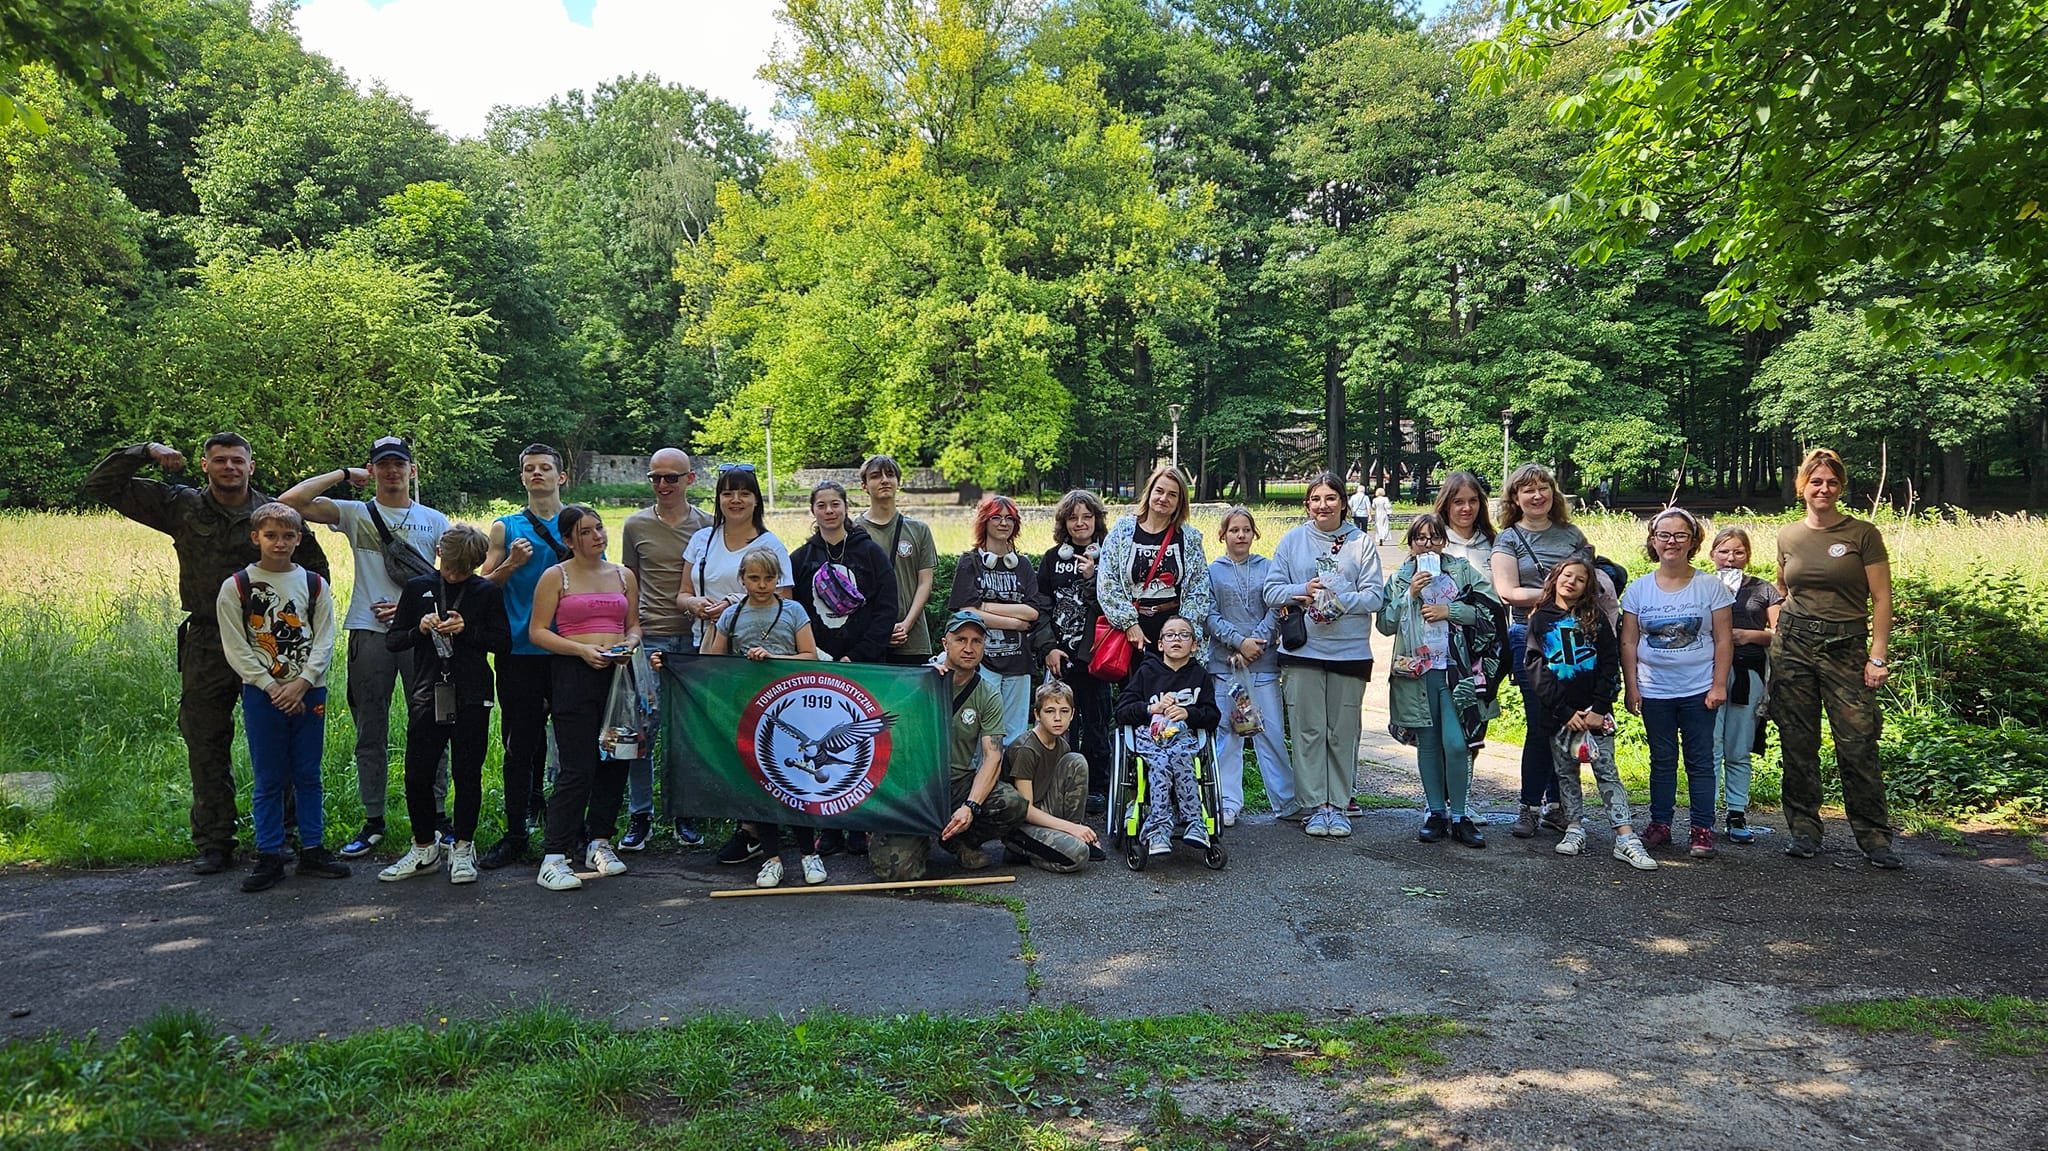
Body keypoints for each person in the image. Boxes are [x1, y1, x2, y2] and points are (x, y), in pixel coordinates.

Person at [85, 434, 331, 875]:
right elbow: (102, 486)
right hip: (208, 640)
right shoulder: (181, 506)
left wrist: (301, 641)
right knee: (205, 741)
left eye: (238, 460)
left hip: (272, 642)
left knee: (285, 740)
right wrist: (146, 451)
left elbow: (316, 574)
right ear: (205, 465)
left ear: (250, 467)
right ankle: (216, 840)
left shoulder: (275, 514)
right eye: (220, 461)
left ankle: (286, 838)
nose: (229, 468)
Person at [277, 437, 454, 860]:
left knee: (432, 725)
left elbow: (450, 579)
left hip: (423, 634)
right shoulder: (356, 513)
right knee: (369, 731)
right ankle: (373, 819)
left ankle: (438, 816)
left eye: (400, 464)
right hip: (368, 632)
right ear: (371, 470)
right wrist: (342, 475)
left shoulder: (435, 520)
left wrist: (409, 608)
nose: (392, 471)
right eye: (383, 465)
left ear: (412, 470)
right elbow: (290, 502)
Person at [1772, 448, 1900, 869]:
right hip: (1793, 648)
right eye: (1815, 482)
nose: (1823, 489)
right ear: (1802, 487)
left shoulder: (1862, 533)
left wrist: (1877, 657)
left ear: (1840, 487)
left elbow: (1882, 598)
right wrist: (1777, 631)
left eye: (1830, 482)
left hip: (1846, 648)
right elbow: (1782, 592)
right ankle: (1804, 830)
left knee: (1858, 742)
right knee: (1797, 740)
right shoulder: (1788, 536)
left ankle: (1874, 836)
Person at [214, 502, 348, 892]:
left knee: (307, 773)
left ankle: (313, 848)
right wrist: (271, 687)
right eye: (271, 535)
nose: (280, 543)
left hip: (309, 691)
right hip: (263, 695)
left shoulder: (313, 584)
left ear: (299, 538)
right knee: (269, 777)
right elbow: (236, 646)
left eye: (288, 536)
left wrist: (303, 682)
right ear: (255, 537)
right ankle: (270, 853)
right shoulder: (237, 586)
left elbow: (324, 638)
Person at [378, 525, 510, 885]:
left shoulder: (485, 592)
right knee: (417, 774)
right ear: (439, 554)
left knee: (467, 774)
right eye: (450, 567)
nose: (453, 575)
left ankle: (463, 847)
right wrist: (419, 628)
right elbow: (393, 641)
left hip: (471, 694)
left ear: (476, 564)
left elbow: (503, 643)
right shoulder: (418, 587)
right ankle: (424, 847)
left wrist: (467, 630)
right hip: (427, 692)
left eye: (463, 570)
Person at [677, 464, 794, 868]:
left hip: (757, 660)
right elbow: (683, 593)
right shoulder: (701, 540)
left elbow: (784, 600)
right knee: (730, 744)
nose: (736, 500)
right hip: (710, 650)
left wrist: (732, 605)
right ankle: (749, 827)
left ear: (756, 499)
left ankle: (759, 832)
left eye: (744, 493)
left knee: (761, 743)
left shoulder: (771, 544)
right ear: (719, 499)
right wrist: (697, 606)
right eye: (728, 493)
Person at [1264, 471, 1386, 838]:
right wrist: (1301, 590)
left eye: (1330, 498)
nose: (1323, 505)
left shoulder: (1360, 543)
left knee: (1342, 731)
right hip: (1303, 650)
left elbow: (1376, 595)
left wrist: (1341, 601)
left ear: (1343, 503)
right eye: (1316, 499)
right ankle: (1316, 805)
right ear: (1307, 504)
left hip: (1349, 650)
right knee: (1308, 730)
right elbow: (1271, 592)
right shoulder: (1293, 541)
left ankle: (1339, 804)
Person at [527, 505, 642, 892]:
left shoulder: (624, 576)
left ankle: (601, 842)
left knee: (616, 760)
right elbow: (538, 632)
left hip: (618, 676)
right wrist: (580, 651)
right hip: (574, 675)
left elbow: (634, 625)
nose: (597, 536)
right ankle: (555, 856)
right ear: (568, 540)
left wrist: (630, 643)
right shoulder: (555, 576)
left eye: (599, 528)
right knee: (577, 767)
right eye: (586, 531)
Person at [868, 611, 1030, 881]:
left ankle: (959, 840)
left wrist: (970, 806)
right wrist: (923, 686)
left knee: (1012, 804)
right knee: (895, 872)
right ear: (945, 643)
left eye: (977, 641)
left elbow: (993, 757)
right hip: (914, 788)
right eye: (961, 639)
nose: (969, 648)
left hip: (957, 784)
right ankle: (916, 838)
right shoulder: (916, 681)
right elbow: (882, 732)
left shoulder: (987, 693)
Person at [703, 548, 825, 887]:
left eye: (769, 578)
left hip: (794, 710)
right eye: (754, 578)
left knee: (796, 781)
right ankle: (770, 858)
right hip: (750, 712)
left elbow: (809, 656)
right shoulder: (731, 615)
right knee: (761, 782)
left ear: (778, 580)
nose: (761, 584)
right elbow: (714, 662)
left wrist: (773, 657)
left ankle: (808, 855)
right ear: (742, 579)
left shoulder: (793, 610)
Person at [1526, 557, 1657, 870]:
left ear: (1588, 587)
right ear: (1556, 578)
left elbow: (1609, 662)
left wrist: (1599, 707)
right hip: (1559, 714)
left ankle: (1625, 837)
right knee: (1565, 773)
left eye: (1579, 579)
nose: (1571, 582)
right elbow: (1535, 667)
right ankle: (1574, 827)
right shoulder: (1540, 619)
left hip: (1595, 713)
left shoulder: (1594, 617)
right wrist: (1563, 709)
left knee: (1607, 770)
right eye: (1566, 575)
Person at [791, 480, 898, 857]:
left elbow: (887, 606)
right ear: (813, 511)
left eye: (835, 504)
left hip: (864, 665)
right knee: (820, 747)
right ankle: (829, 826)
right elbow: (796, 613)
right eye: (821, 505)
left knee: (859, 748)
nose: (829, 511)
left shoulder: (869, 553)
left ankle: (859, 825)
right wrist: (818, 654)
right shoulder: (801, 558)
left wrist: (862, 653)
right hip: (820, 667)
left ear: (845, 507)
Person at [477, 443, 572, 870]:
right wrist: (511, 563)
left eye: (545, 468)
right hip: (519, 650)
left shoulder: (578, 523)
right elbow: (483, 588)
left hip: (570, 648)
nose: (537, 474)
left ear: (561, 476)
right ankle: (516, 832)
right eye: (530, 469)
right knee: (519, 746)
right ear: (522, 478)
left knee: (573, 743)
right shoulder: (506, 527)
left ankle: (571, 828)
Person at [1620, 508, 1734, 860]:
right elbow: (1627, 642)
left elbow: (1724, 639)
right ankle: (1660, 824)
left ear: (1693, 541)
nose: (1672, 541)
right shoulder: (1638, 590)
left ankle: (1702, 828)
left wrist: (1718, 685)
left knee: (1701, 761)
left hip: (1699, 688)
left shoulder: (1710, 586)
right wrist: (1632, 686)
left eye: (1680, 535)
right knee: (1662, 759)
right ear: (1653, 541)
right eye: (1664, 535)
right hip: (1655, 690)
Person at [1379, 514, 1495, 848]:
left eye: (1433, 538)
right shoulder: (1402, 577)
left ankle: (1460, 815)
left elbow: (1487, 611)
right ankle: (1435, 812)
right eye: (1420, 538)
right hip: (1417, 671)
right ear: (1411, 544)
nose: (1427, 544)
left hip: (1456, 671)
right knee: (1428, 743)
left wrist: (1450, 611)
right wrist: (1410, 596)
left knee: (1458, 744)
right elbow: (1385, 624)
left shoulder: (1460, 571)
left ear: (1443, 541)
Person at [618, 447, 714, 850]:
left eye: (671, 478)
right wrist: (632, 630)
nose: (662, 485)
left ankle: (685, 813)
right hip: (651, 636)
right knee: (641, 730)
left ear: (690, 479)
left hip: (696, 641)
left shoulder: (709, 526)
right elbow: (628, 580)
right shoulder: (635, 525)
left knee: (687, 732)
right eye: (655, 478)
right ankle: (640, 815)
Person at [1490, 463, 1591, 840]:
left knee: (1568, 719)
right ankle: (1529, 805)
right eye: (1527, 490)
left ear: (1553, 493)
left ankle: (1558, 804)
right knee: (1538, 723)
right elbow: (1509, 592)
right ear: (1515, 498)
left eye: (1543, 488)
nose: (1537, 496)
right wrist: (1561, 596)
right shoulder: (1509, 538)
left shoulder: (1571, 535)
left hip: (1573, 637)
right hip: (1528, 636)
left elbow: (1588, 582)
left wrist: (1562, 597)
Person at [1204, 506, 1293, 825]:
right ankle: (1228, 801)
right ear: (1222, 535)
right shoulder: (1212, 572)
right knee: (1229, 733)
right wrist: (1237, 643)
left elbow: (1275, 608)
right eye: (1233, 530)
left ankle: (1286, 800)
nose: (1240, 535)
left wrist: (1255, 643)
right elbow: (1209, 614)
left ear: (1254, 533)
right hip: (1226, 664)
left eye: (1246, 530)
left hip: (1263, 664)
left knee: (1268, 730)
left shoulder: (1268, 568)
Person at [1115, 617, 1223, 854]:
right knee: (1161, 763)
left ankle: (1196, 824)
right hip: (1149, 737)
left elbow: (1213, 715)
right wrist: (1150, 709)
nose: (1177, 639)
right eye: (1170, 635)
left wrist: (1188, 713)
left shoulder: (1200, 676)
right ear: (1161, 644)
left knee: (1182, 758)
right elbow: (1122, 711)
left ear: (1194, 645)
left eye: (1184, 635)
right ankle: (1158, 829)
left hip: (1183, 737)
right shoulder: (1147, 672)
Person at [1035, 488, 1113, 814]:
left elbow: (1113, 605)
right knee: (1061, 725)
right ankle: (1059, 787)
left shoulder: (1110, 555)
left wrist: (1092, 577)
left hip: (1096, 658)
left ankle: (1097, 788)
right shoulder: (1053, 559)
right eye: (1073, 517)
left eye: (1086, 516)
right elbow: (1039, 609)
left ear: (1097, 520)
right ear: (1064, 523)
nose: (1080, 523)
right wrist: (1048, 648)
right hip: (1060, 659)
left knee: (1097, 725)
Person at [1709, 526, 1782, 844]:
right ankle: (1704, 813)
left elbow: (1782, 634)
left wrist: (1748, 635)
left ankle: (1736, 812)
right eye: (1724, 551)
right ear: (1712, 554)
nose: (1731, 558)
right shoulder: (1700, 586)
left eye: (1738, 552)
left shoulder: (1763, 590)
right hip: (1707, 676)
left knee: (1738, 749)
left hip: (1748, 673)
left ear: (1748, 556)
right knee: (1708, 747)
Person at [1434, 469, 1499, 824]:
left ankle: (1464, 796)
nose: (1466, 508)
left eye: (1473, 501)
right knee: (1445, 727)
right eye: (1458, 501)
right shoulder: (1434, 541)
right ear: (1446, 504)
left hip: (1483, 650)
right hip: (1441, 649)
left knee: (1475, 725)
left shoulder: (1493, 542)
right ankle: (1440, 799)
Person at [946, 494, 1040, 738]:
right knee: (980, 731)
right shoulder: (970, 562)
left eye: (1009, 518)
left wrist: (984, 607)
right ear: (984, 522)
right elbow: (965, 611)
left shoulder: (1023, 565)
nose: (1003, 523)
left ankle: (1008, 777)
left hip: (1018, 662)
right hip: (983, 661)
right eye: (996, 517)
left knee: (1015, 733)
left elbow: (1032, 612)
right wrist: (1015, 622)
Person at [1098, 463, 1212, 653]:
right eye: (1159, 491)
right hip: (1131, 632)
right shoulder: (1123, 531)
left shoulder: (1189, 538)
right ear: (1149, 492)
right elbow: (1107, 582)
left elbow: (1198, 588)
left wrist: (1182, 632)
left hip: (1174, 632)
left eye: (1172, 494)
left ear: (1180, 501)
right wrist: (1128, 623)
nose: (1164, 498)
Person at [1000, 681, 1102, 871]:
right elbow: (1026, 810)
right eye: (1049, 711)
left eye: (1064, 711)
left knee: (1077, 760)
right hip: (1022, 825)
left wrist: (1075, 828)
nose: (1058, 718)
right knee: (1078, 855)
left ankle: (1072, 836)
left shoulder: (1062, 745)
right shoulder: (1026, 749)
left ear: (1072, 715)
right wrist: (1071, 830)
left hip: (1047, 813)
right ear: (1037, 715)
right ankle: (1020, 850)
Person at [855, 455, 939, 666]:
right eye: (876, 476)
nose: (884, 480)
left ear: (898, 482)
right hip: (868, 639)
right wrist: (878, 630)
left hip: (913, 639)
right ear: (864, 486)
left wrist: (906, 625)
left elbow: (925, 582)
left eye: (890, 475)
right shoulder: (853, 531)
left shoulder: (919, 529)